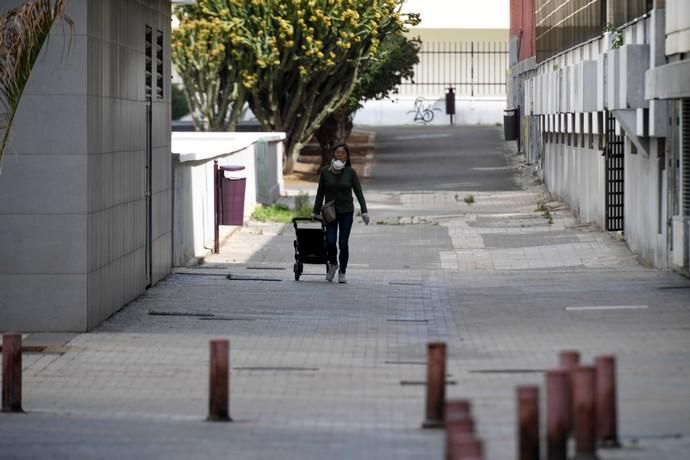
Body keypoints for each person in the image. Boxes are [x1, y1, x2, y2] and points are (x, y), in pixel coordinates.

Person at [312, 143, 369, 283]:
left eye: (343, 153)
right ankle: (333, 264)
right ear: (333, 154)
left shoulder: (350, 172)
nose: (340, 155)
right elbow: (320, 193)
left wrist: (364, 210)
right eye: (337, 152)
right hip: (330, 213)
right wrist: (315, 211)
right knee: (330, 241)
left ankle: (342, 271)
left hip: (346, 212)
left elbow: (358, 191)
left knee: (343, 242)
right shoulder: (325, 171)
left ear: (347, 156)